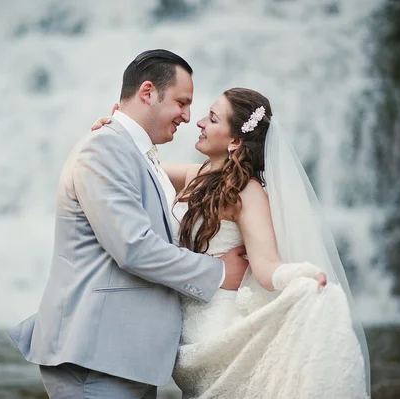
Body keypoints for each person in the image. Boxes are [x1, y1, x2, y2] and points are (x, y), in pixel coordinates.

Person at [92, 88, 371, 398]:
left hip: (217, 330)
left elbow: (266, 266)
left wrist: (301, 275)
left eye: (212, 119)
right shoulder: (196, 175)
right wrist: (117, 133)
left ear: (235, 141)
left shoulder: (247, 192)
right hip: (185, 327)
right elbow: (140, 166)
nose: (198, 122)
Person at [8, 49, 250, 399]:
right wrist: (215, 272)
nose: (187, 116)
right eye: (182, 102)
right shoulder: (105, 149)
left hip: (124, 354)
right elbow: (133, 247)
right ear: (148, 92)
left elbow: (213, 180)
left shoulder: (134, 152)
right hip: (95, 357)